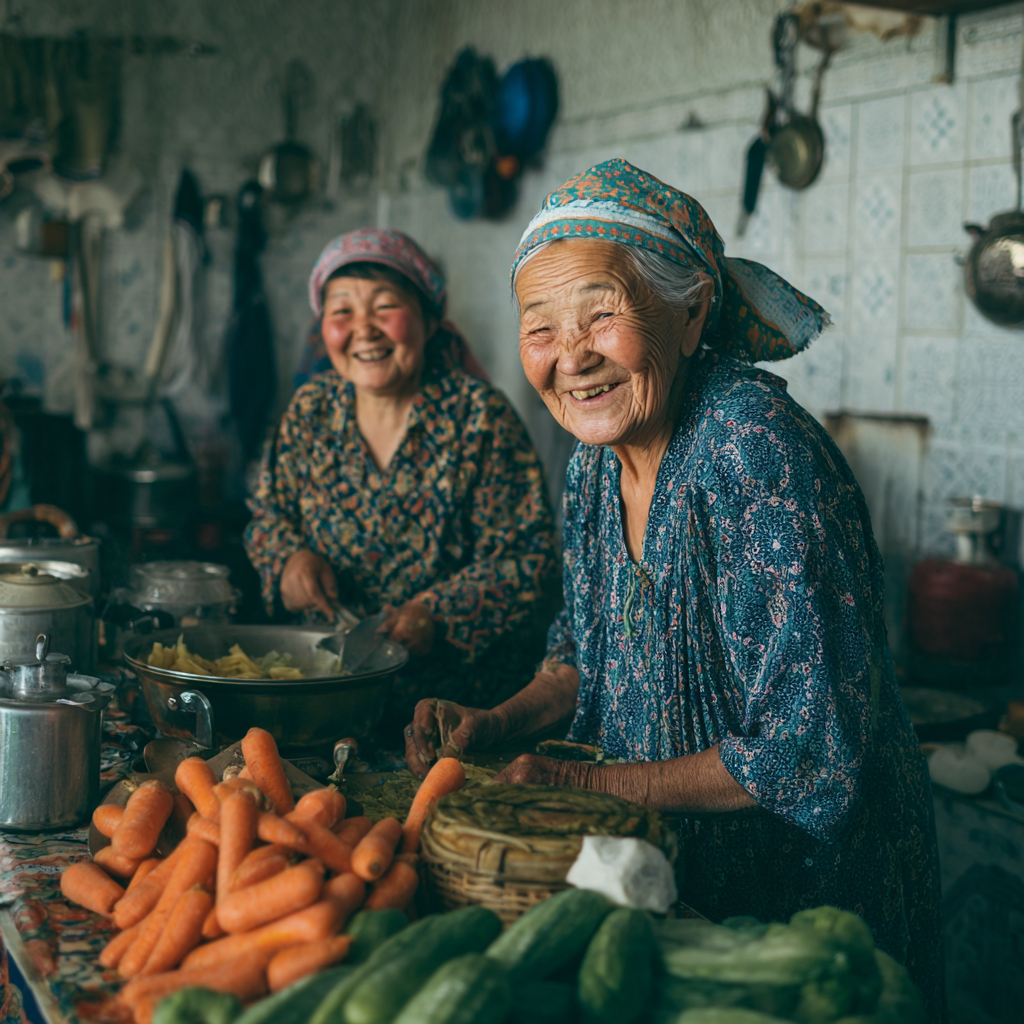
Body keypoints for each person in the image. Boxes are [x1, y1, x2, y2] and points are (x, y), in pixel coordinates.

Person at [405, 160, 944, 1015]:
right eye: (540, 327)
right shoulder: (591, 466)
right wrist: (493, 724)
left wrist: (583, 787)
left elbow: (805, 751)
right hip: (670, 886)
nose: (571, 356)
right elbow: (583, 652)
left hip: (803, 915)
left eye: (602, 315)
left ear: (691, 314)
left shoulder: (755, 451)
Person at [246, 228, 559, 716]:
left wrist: (436, 614)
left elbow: (528, 559)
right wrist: (287, 561)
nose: (364, 329)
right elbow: (268, 517)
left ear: (429, 320)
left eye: (385, 307)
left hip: (457, 705)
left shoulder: (479, 418)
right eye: (341, 311)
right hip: (326, 690)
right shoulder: (311, 410)